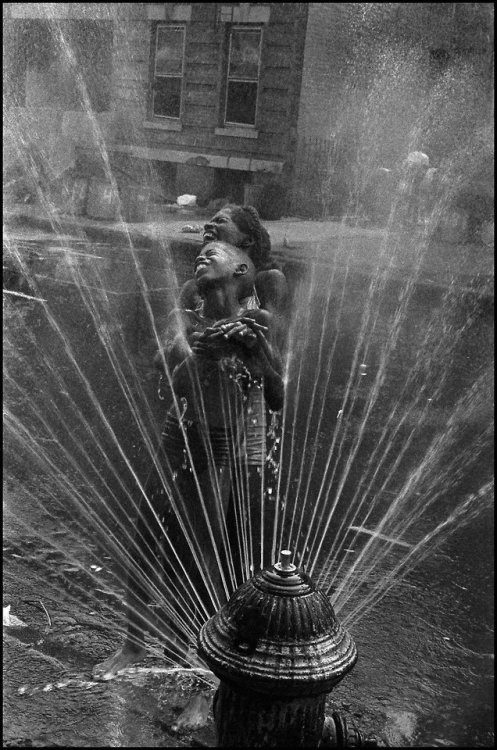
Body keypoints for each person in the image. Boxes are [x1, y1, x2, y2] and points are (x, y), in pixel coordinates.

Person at [93, 241, 284, 681]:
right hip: (175, 440)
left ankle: (199, 672)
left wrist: (253, 352)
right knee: (145, 539)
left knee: (199, 559)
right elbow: (170, 378)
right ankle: (132, 644)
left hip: (217, 451)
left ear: (241, 269)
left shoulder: (254, 323)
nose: (202, 253)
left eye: (213, 251)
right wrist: (199, 353)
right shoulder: (191, 320)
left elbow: (275, 395)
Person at [170, 204, 289, 365]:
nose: (208, 225)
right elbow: (165, 351)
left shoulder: (267, 280)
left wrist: (247, 341)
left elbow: (276, 342)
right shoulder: (193, 288)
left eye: (221, 221)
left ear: (248, 240)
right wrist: (195, 341)